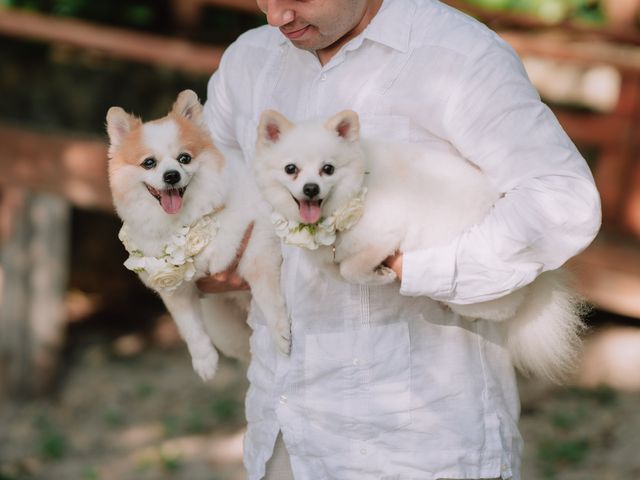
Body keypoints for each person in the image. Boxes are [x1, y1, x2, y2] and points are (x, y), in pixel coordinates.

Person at [198, 0, 602, 479]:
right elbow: (210, 190)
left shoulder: (456, 55)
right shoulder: (250, 61)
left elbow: (563, 199)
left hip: (418, 446)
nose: (276, 17)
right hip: (284, 431)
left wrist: (407, 265)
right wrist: (206, 264)